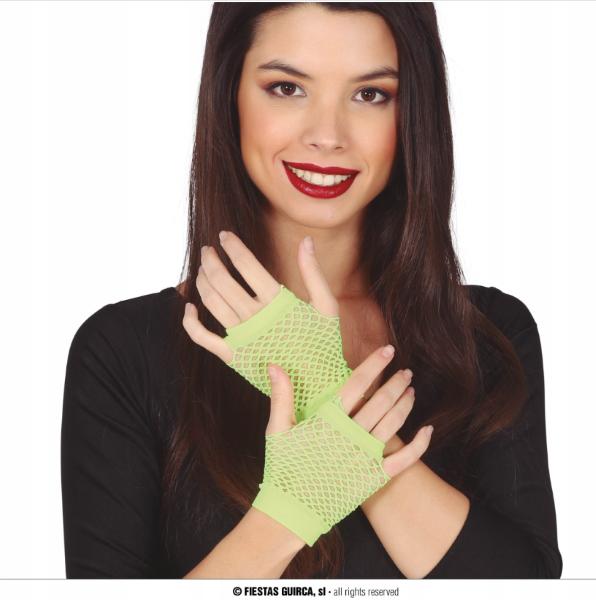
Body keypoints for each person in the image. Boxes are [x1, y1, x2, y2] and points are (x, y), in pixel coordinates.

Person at [60, 2, 563, 579]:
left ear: (412, 114)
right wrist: (289, 511)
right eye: (287, 88)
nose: (327, 136)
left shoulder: (487, 334)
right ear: (229, 95)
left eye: (370, 94)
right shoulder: (122, 350)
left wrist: (324, 393)